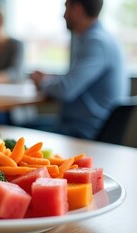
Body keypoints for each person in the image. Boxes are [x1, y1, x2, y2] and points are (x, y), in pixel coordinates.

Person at [29, 0, 130, 139]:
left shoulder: (96, 42)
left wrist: (42, 83)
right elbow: (75, 80)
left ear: (77, 10)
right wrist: (50, 79)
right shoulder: (102, 38)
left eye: (66, 8)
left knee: (16, 132)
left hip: (83, 131)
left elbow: (66, 90)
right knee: (25, 125)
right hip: (80, 126)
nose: (63, 15)